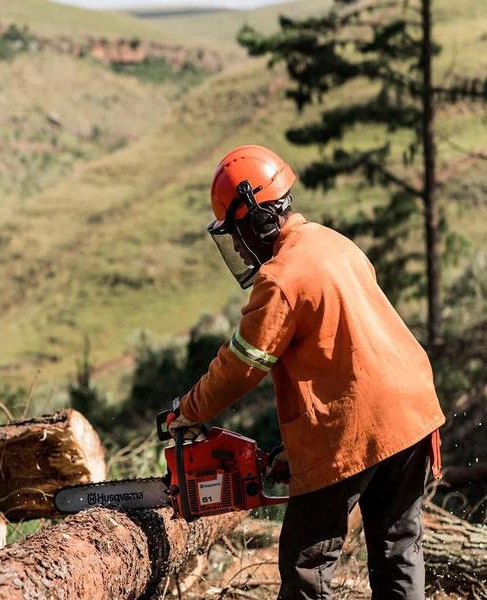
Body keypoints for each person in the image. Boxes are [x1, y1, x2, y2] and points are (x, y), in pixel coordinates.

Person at [167, 144, 445, 600]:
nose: (238, 245)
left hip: (358, 422)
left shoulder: (280, 278)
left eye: (238, 233)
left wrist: (187, 410)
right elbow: (341, 356)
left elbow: (241, 366)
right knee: (399, 550)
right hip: (412, 410)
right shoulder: (333, 242)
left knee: (306, 564)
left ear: (257, 218)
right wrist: (293, 449)